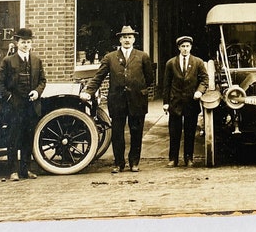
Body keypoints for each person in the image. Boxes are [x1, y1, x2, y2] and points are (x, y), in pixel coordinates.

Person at [81, 25, 155, 173]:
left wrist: (137, 89)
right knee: (117, 133)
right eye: (124, 37)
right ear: (120, 39)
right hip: (117, 101)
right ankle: (118, 163)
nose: (127, 40)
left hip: (137, 100)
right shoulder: (110, 57)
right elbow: (99, 76)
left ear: (134, 39)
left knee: (136, 132)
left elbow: (149, 78)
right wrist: (89, 91)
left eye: (130, 37)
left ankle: (134, 162)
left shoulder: (143, 56)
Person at [0, 27, 46, 181]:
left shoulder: (37, 60)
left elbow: (43, 80)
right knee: (13, 138)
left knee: (28, 138)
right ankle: (13, 171)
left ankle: (26, 170)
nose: (26, 45)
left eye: (28, 42)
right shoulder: (8, 61)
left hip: (31, 106)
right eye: (23, 42)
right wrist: (9, 97)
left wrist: (37, 92)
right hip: (14, 106)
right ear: (17, 43)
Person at [162, 35, 208, 167]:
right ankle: (173, 159)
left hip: (191, 103)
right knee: (174, 132)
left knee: (190, 131)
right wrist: (166, 102)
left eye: (187, 46)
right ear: (179, 48)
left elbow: (205, 79)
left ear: (191, 47)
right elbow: (166, 84)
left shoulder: (198, 62)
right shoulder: (171, 63)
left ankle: (189, 158)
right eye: (183, 46)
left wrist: (199, 91)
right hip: (175, 102)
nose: (185, 49)